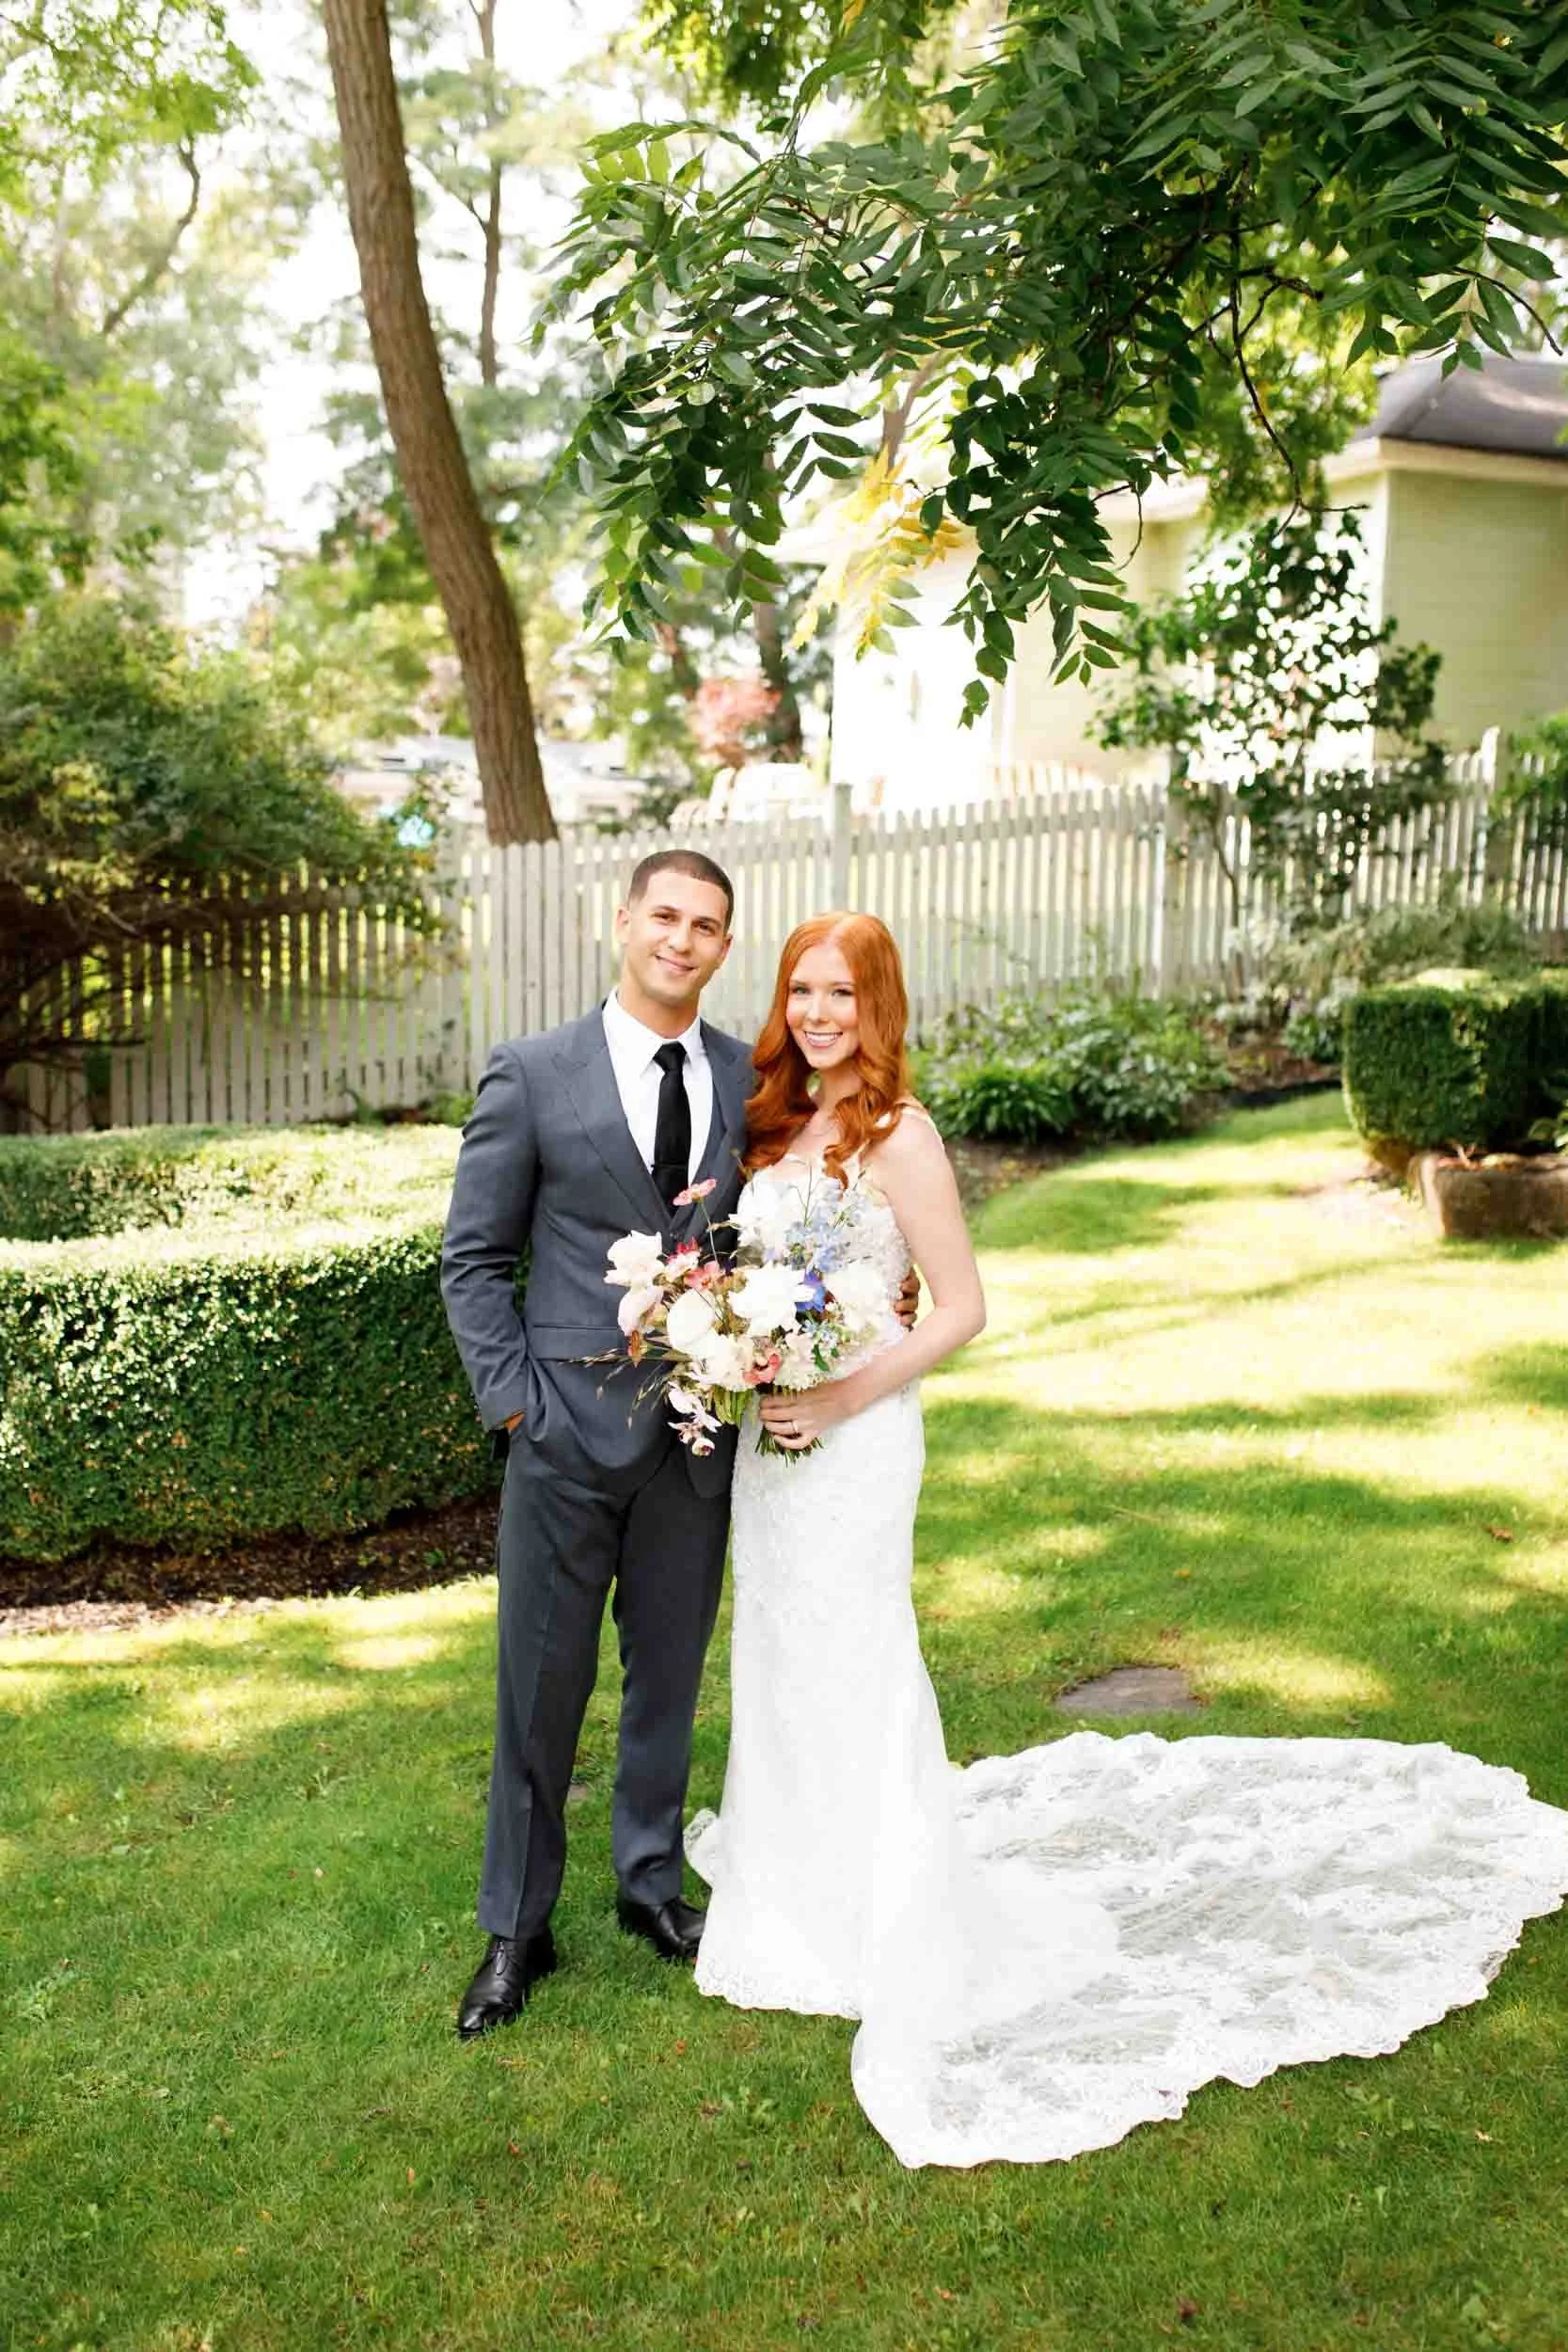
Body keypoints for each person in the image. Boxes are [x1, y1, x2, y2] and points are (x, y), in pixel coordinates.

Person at [685, 910, 1568, 2169]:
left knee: (855, 1653)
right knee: (777, 1660)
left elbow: (961, 1310)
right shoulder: (774, 1126)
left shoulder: (901, 1137)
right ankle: (790, 1891)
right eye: (799, 991)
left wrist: (838, 1390)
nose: (817, 1012)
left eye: (839, 992)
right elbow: (759, 1280)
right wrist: (739, 1347)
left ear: (877, 1003)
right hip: (774, 1456)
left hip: (858, 1436)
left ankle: (886, 1913)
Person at [439, 850, 912, 2041]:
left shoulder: (748, 1086)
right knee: (538, 1691)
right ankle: (516, 1928)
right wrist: (515, 1407)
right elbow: (472, 1260)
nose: (683, 939)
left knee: (666, 1685)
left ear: (721, 946)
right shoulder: (532, 1073)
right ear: (623, 921)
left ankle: (650, 1886)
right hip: (557, 1436)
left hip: (697, 1448)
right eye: (665, 916)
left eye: (707, 925)